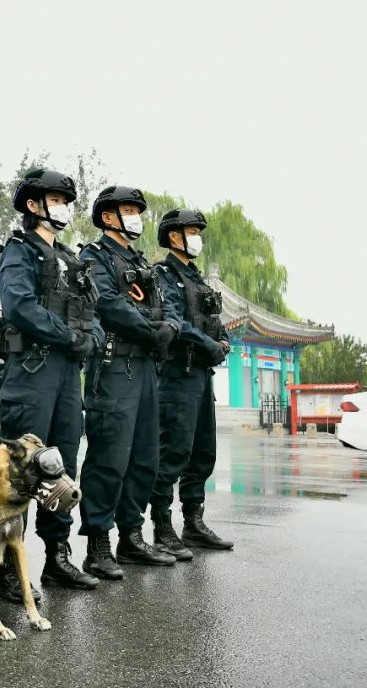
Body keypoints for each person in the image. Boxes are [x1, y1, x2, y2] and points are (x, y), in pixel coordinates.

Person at [0, 169, 103, 602]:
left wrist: (89, 338)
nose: (61, 206)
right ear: (33, 205)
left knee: (64, 465)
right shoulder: (20, 252)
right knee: (22, 470)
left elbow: (91, 311)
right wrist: (69, 336)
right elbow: (19, 306)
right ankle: (5, 570)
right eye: (53, 199)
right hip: (33, 372)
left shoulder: (73, 262)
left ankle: (57, 557)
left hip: (66, 376)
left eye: (64, 199)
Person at [78, 186, 181, 579]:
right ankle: (98, 544)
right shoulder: (95, 257)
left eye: (137, 210)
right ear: (108, 217)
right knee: (110, 456)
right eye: (127, 210)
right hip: (114, 366)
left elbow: (168, 304)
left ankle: (132, 536)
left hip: (146, 370)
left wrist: (169, 325)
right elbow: (108, 303)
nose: (136, 216)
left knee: (144, 456)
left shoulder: (142, 262)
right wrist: (150, 329)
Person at [150, 209, 235, 557]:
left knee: (203, 453)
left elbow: (211, 320)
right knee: (174, 452)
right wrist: (210, 345)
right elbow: (173, 321)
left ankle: (194, 522)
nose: (197, 236)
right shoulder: (164, 274)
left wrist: (224, 340)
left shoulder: (197, 279)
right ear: (174, 236)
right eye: (191, 231)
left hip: (202, 375)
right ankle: (162, 526)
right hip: (176, 375)